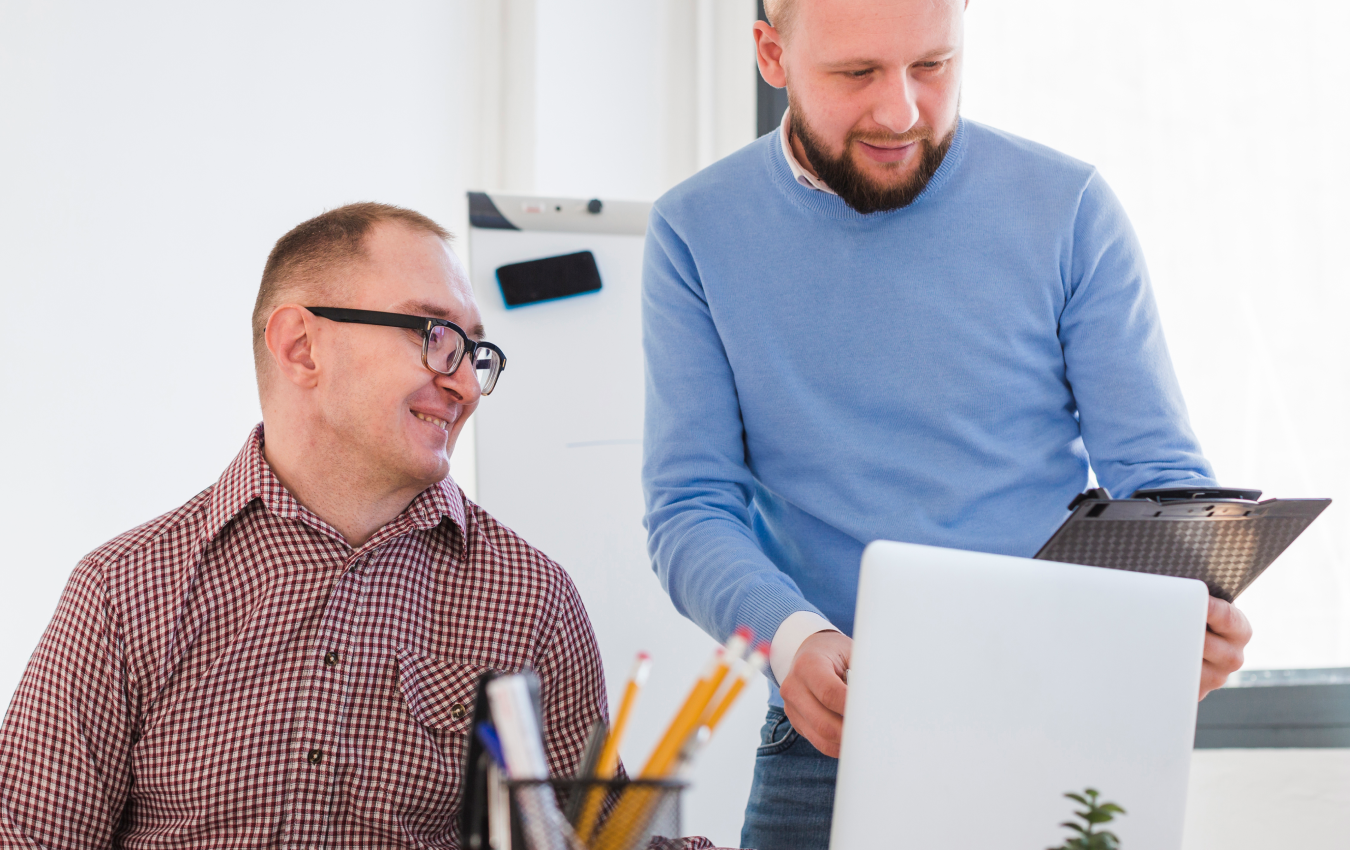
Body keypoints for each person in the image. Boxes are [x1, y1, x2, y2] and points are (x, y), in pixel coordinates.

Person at [640, 2, 1253, 848]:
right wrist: (790, 637)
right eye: (857, 73)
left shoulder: (1067, 207)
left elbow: (1158, 477)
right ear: (771, 55)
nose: (900, 112)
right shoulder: (695, 231)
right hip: (831, 740)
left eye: (932, 65)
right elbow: (689, 508)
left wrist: (1190, 610)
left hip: (1068, 720)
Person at [0, 203, 610, 848]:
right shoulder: (125, 590)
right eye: (434, 335)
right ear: (301, 347)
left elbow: (603, 837)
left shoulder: (531, 598)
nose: (467, 384)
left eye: (473, 351)